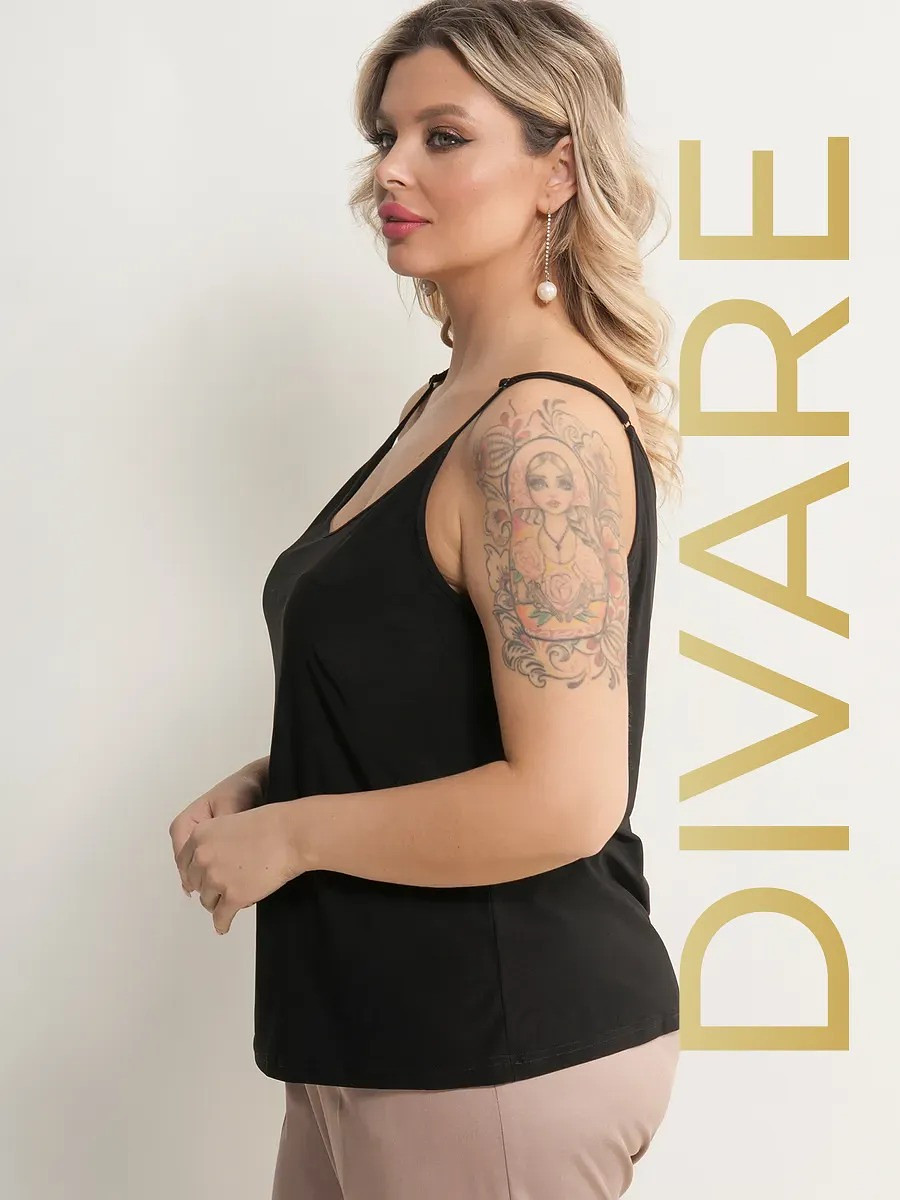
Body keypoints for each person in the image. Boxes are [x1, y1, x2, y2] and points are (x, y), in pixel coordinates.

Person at [169, 1, 685, 1196]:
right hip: (380, 1034)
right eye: (385, 136)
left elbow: (565, 796)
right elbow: (427, 698)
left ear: (558, 171)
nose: (391, 170)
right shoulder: (445, 405)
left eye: (443, 136)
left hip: (495, 1043)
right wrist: (278, 778)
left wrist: (294, 834)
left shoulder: (538, 431)